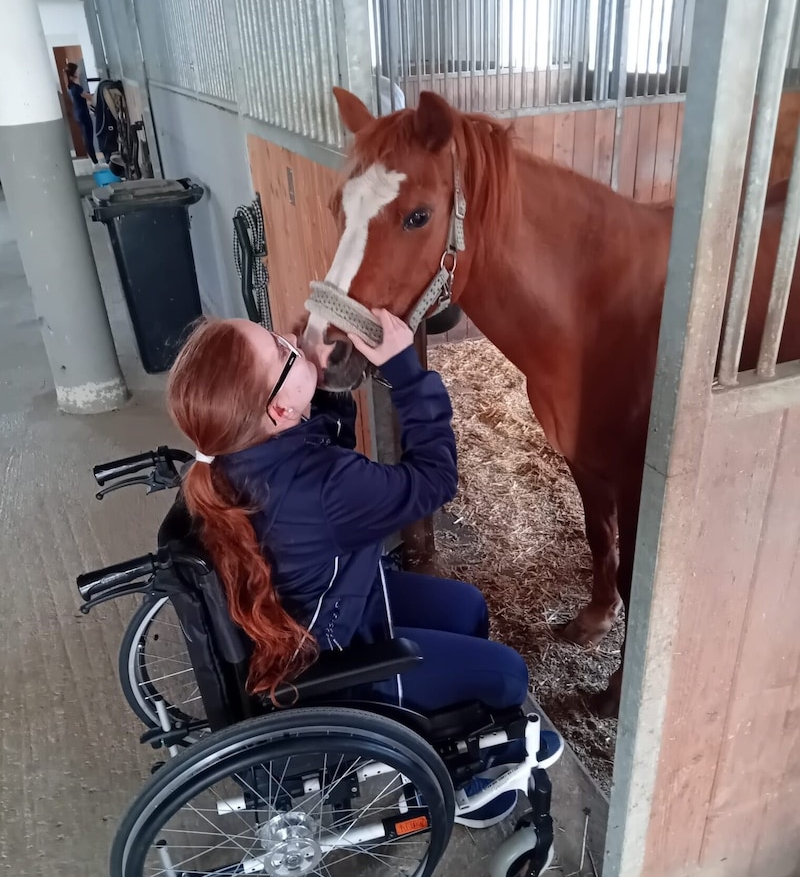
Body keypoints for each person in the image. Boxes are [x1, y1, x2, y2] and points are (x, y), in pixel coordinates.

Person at [167, 311, 557, 827]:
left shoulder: (233, 456)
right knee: (509, 675)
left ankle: (452, 745)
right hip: (332, 667)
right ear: (281, 408)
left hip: (321, 612)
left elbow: (324, 453)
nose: (292, 341)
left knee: (468, 607)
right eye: (282, 352)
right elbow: (434, 481)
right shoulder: (322, 488)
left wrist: (322, 385)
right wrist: (404, 370)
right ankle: (456, 785)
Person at [64, 62, 97, 165]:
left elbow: (81, 100)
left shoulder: (70, 87)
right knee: (89, 137)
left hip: (78, 113)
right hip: (83, 114)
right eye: (77, 71)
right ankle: (95, 161)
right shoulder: (76, 88)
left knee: (86, 137)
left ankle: (93, 160)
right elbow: (89, 97)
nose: (79, 72)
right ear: (73, 73)